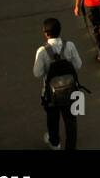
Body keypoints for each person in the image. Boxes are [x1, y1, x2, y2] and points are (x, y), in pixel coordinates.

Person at [33, 18, 83, 150]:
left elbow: (37, 73)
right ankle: (71, 147)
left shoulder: (42, 51)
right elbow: (78, 64)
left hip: (50, 93)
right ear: (60, 31)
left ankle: (55, 143)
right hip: (71, 90)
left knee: (52, 118)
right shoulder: (70, 45)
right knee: (71, 120)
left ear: (46, 33)